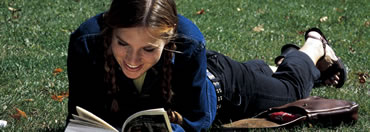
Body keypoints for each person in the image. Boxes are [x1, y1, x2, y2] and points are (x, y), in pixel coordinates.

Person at [65, 0, 346, 131]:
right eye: (122, 44)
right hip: (206, 71)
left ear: (169, 40)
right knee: (268, 79)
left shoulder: (188, 43)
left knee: (290, 89)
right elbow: (81, 116)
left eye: (148, 49)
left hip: (223, 86)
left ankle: (313, 46)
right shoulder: (86, 43)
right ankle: (269, 68)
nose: (132, 60)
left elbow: (198, 120)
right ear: (109, 33)